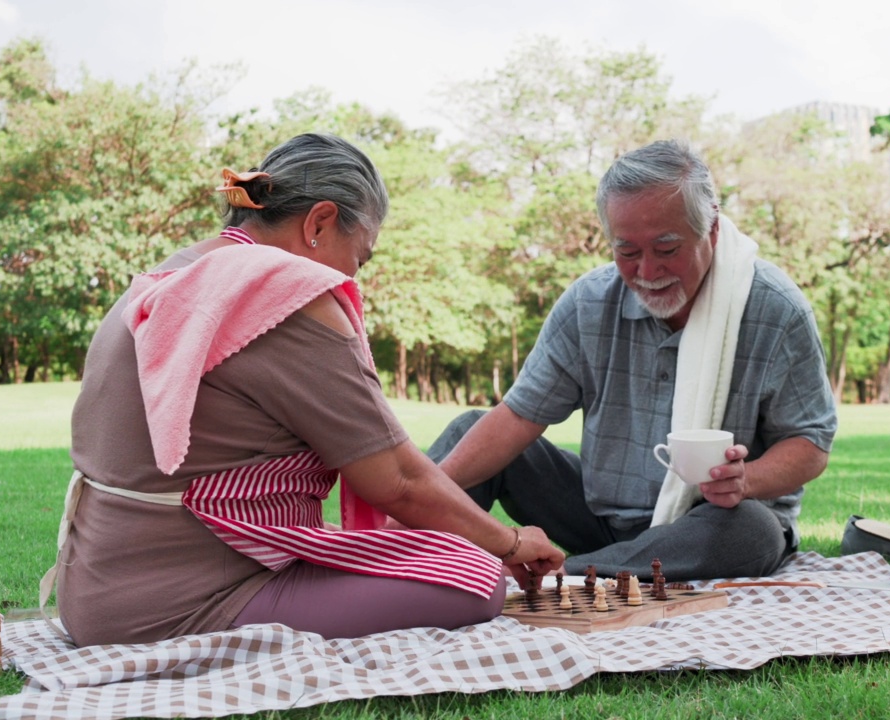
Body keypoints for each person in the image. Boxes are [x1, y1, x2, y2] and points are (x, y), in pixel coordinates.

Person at [50, 133, 563, 646]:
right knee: (475, 579)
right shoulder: (282, 294)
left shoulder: (175, 270)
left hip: (95, 590)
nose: (352, 278)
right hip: (180, 601)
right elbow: (397, 480)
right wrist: (510, 541)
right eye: (359, 258)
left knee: (436, 555)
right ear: (319, 222)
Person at [429, 139, 837, 581]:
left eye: (666, 249)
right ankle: (395, 553)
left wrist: (745, 480)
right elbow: (517, 419)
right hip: (597, 518)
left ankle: (555, 574)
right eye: (627, 252)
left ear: (712, 230)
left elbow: (811, 443)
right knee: (470, 430)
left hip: (708, 523)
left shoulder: (775, 309)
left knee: (753, 531)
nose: (647, 271)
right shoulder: (588, 303)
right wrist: (427, 495)